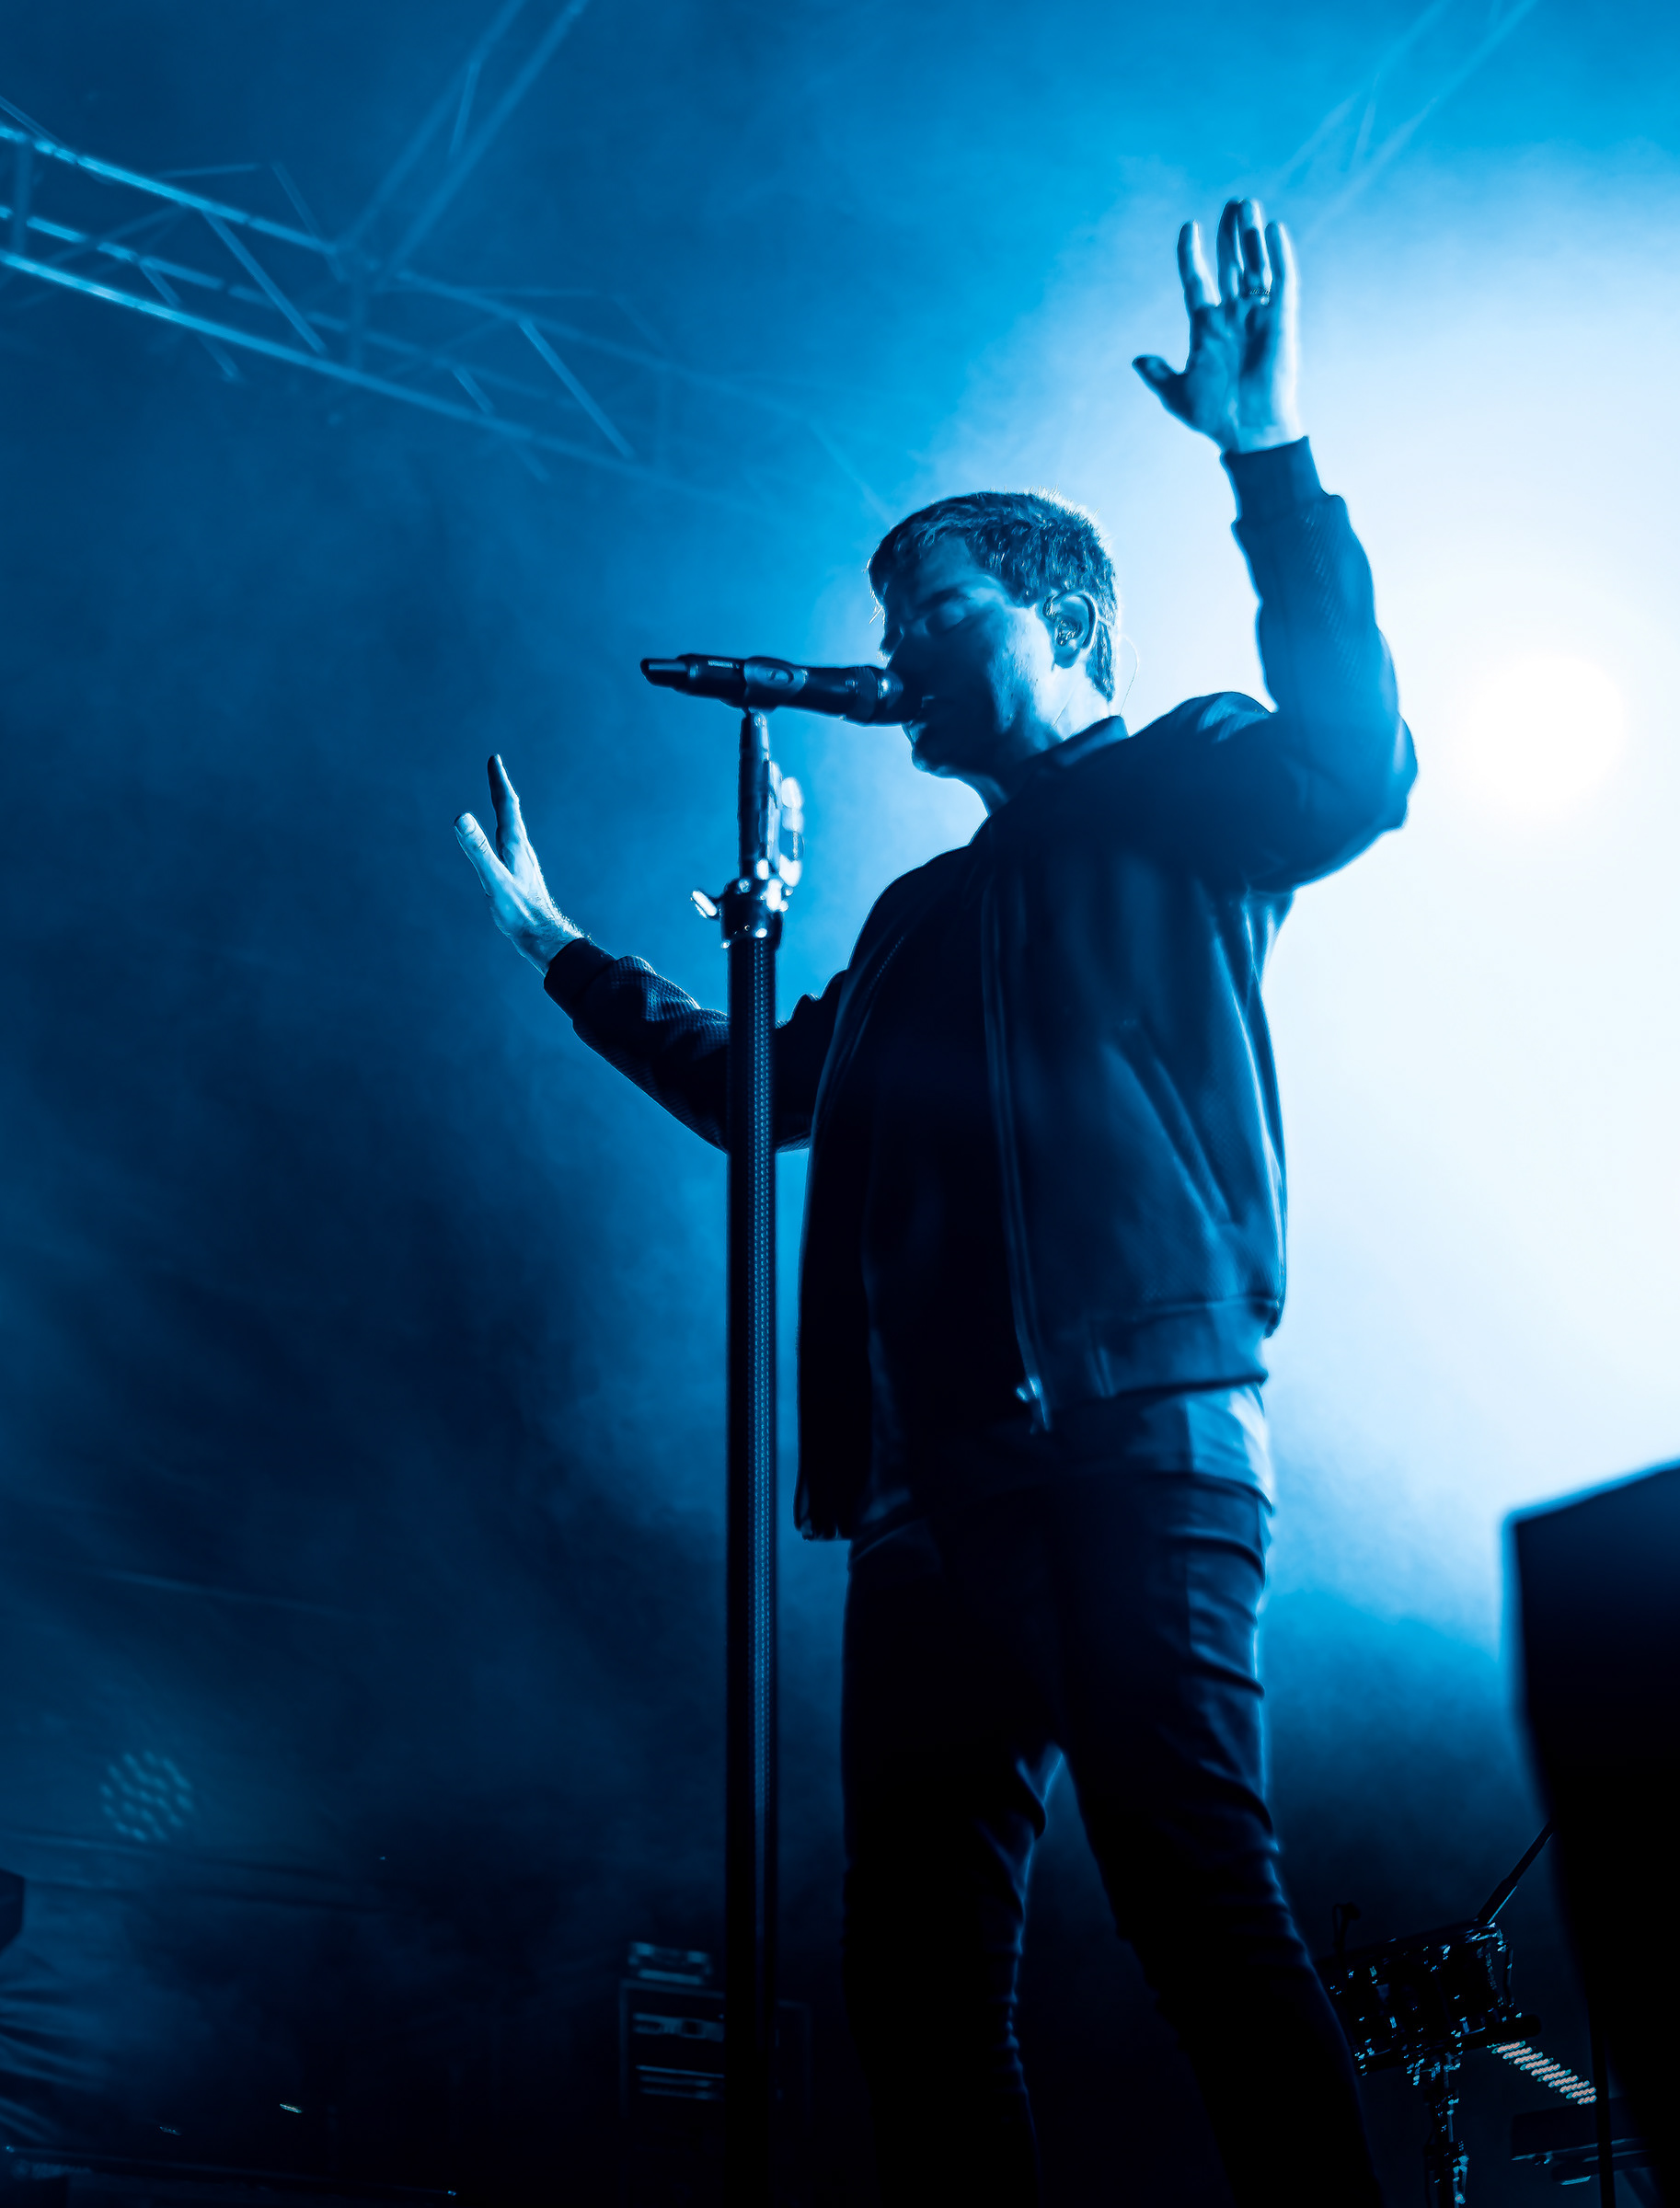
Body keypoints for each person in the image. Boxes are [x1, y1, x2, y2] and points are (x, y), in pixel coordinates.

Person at [455, 199, 1413, 2206]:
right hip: (926, 1502)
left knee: (1198, 1908)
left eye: (936, 610)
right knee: (913, 1979)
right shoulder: (910, 913)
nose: (893, 652)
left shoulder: (1183, 782)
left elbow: (1358, 765)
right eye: (887, 620)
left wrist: (1266, 455)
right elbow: (759, 1098)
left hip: (1135, 1440)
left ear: (1062, 625)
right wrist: (564, 949)